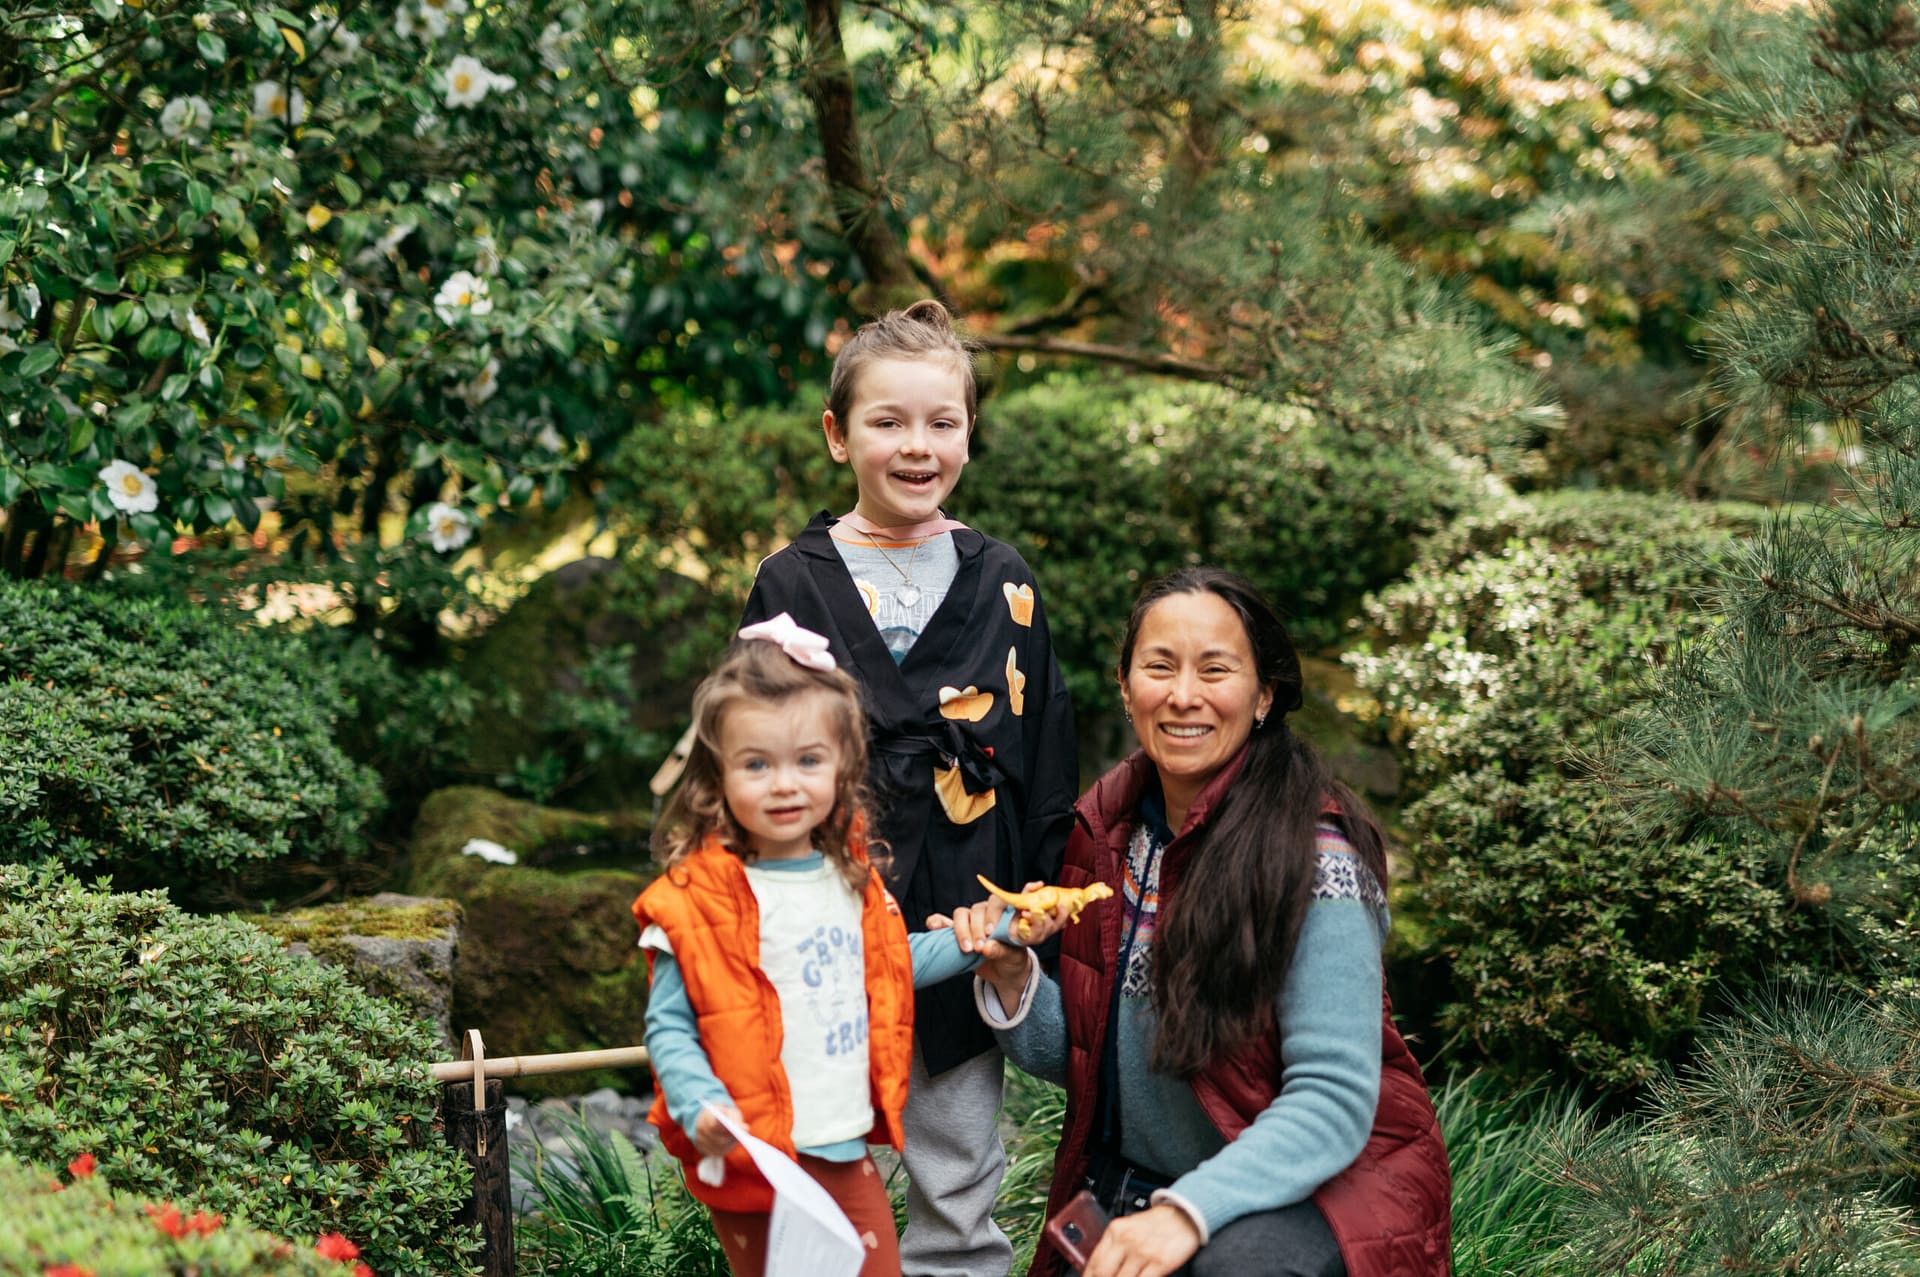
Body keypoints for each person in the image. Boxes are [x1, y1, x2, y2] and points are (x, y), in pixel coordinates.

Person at [954, 567, 1452, 1277]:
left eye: (1215, 670)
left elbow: (1334, 1098)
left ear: (1264, 696)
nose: (1184, 695)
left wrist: (1187, 1213)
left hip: (1319, 1195)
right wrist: (1012, 977)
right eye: (1160, 667)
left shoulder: (1314, 854)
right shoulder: (1106, 835)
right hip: (1140, 1189)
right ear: (1127, 690)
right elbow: (1094, 1052)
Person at [740, 299, 1079, 1277]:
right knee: (818, 1169)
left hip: (965, 915)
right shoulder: (791, 582)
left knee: (957, 1167)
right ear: (838, 434)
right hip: (829, 916)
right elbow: (746, 755)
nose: (917, 444)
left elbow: (1044, 746)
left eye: (943, 421)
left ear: (970, 430)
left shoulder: (1005, 580)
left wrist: (1041, 896)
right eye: (888, 421)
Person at [633, 621, 1064, 1277]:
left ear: (843, 766)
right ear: (717, 775)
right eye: (757, 764)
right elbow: (669, 1023)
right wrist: (699, 1103)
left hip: (842, 1150)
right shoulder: (693, 898)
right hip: (759, 1158)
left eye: (808, 760)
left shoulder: (850, 880)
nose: (785, 783)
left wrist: (998, 932)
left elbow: (897, 962)